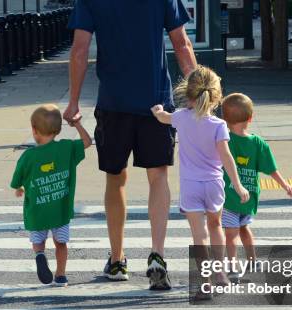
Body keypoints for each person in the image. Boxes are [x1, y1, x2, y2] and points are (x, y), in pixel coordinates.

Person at [64, 0, 197, 290]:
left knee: (116, 177)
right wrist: (198, 96)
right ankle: (158, 256)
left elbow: (79, 51)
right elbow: (182, 44)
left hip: (113, 103)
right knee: (158, 174)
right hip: (157, 102)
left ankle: (117, 259)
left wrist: (74, 101)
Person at [151, 66, 250, 291]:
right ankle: (221, 274)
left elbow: (163, 118)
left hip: (190, 185)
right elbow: (226, 157)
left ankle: (204, 280)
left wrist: (157, 111)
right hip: (214, 184)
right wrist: (237, 184)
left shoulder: (181, 118)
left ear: (189, 94)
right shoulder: (219, 125)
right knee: (216, 227)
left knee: (199, 235)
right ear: (216, 97)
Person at [10, 104, 92, 287]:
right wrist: (77, 124)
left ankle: (40, 255)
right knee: (60, 243)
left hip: (37, 211)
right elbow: (87, 142)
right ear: (58, 130)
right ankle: (61, 275)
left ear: (34, 130)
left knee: (38, 241)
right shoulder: (66, 148)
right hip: (60, 211)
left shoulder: (28, 156)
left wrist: (19, 188)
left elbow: (17, 179)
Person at [221, 93, 292, 276]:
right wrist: (285, 185)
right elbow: (271, 169)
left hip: (228, 198)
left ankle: (235, 266)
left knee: (232, 234)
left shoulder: (223, 141)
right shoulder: (258, 143)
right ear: (250, 118)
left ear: (224, 119)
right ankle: (246, 263)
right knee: (241, 229)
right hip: (248, 198)